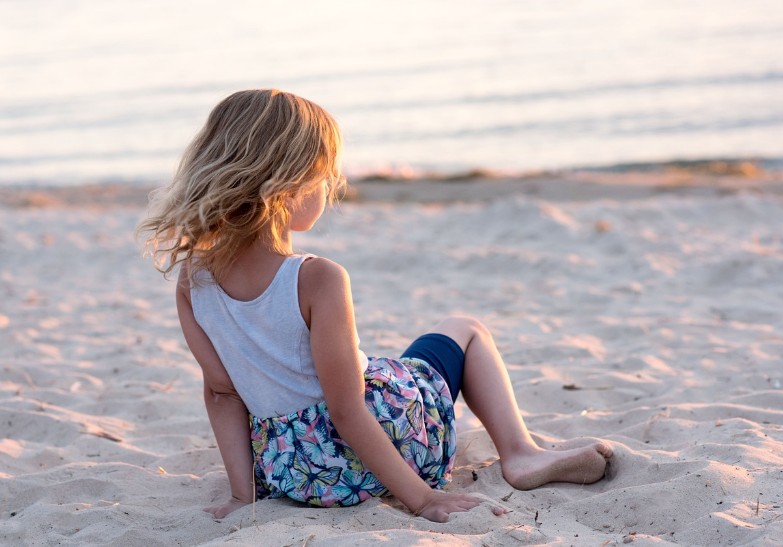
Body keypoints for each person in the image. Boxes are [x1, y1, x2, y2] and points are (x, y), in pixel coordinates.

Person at [137, 89, 613, 523]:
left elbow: (222, 394)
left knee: (385, 365)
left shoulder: (192, 279)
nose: (329, 188)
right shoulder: (316, 277)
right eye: (324, 177)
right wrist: (422, 500)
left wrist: (244, 497)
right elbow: (346, 409)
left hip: (293, 471)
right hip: (377, 452)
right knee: (463, 330)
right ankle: (521, 453)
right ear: (290, 182)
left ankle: (252, 489)